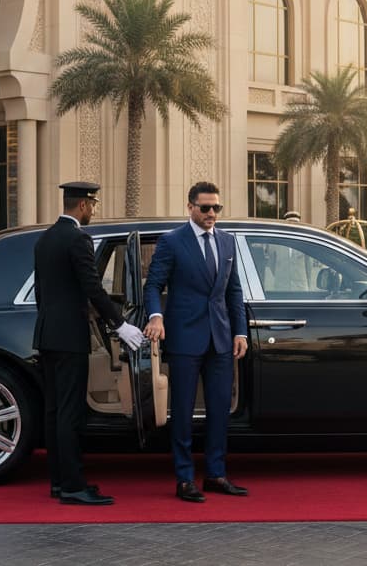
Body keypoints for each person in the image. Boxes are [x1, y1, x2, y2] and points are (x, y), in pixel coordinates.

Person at [33, 181, 144, 506]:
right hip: (69, 337)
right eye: (92, 205)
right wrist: (121, 324)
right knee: (70, 414)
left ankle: (59, 481)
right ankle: (72, 486)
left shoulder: (45, 238)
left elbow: (42, 292)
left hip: (48, 333)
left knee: (54, 413)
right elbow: (92, 288)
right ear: (82, 205)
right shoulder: (78, 238)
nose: (93, 211)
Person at [143, 181, 249, 503]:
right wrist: (156, 317)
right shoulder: (172, 242)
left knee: (219, 411)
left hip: (220, 340)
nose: (212, 214)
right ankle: (185, 478)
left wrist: (240, 332)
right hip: (185, 339)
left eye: (216, 207)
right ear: (190, 207)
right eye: (205, 208)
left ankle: (216, 475)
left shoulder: (228, 242)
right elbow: (153, 285)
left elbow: (233, 291)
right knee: (184, 413)